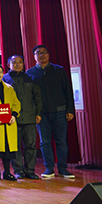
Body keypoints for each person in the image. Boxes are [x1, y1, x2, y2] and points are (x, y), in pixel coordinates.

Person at [26, 44, 76, 179]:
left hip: (60, 111)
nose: (42, 55)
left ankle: (63, 168)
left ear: (48, 54)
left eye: (44, 52)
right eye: (38, 53)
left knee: (61, 141)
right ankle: (49, 168)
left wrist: (70, 109)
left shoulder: (59, 70)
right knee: (45, 142)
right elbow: (29, 96)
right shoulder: (30, 73)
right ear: (34, 56)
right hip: (41, 114)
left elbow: (68, 90)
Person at [3, 55, 43, 179]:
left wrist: (38, 113)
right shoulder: (4, 79)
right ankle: (18, 170)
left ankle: (30, 170)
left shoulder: (30, 78)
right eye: (14, 62)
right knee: (15, 146)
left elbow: (37, 97)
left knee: (31, 146)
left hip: (30, 117)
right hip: (12, 118)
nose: (17, 64)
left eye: (20, 62)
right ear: (8, 65)